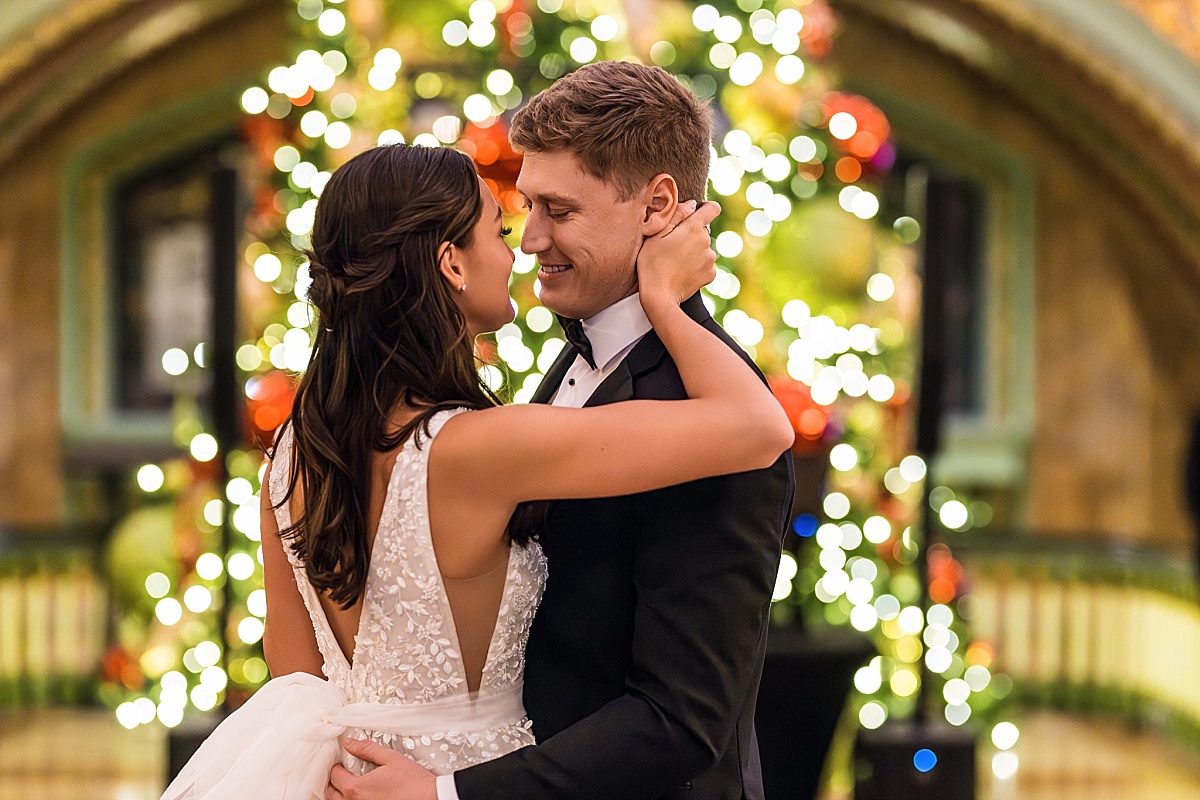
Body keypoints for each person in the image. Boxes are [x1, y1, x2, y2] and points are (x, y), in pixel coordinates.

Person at [159, 136, 792, 797]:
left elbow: (295, 677)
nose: (519, 248)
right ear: (451, 264)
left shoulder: (291, 455)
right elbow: (758, 426)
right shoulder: (480, 449)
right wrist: (664, 298)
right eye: (502, 228)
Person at [328, 62, 795, 800]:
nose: (531, 239)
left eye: (560, 210)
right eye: (524, 210)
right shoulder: (563, 364)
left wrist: (450, 793)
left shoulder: (713, 413)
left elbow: (680, 720)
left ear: (658, 205)